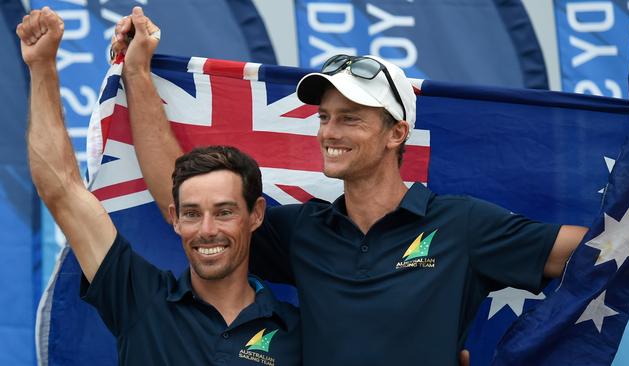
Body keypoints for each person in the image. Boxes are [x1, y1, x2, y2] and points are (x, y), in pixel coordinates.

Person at [112, 7, 588, 365]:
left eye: (351, 119)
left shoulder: (461, 224)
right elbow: (184, 188)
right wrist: (136, 73)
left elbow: (609, 250)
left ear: (396, 133)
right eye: (325, 117)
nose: (329, 133)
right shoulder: (301, 230)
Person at [18, 7, 301, 365]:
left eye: (225, 211)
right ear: (175, 218)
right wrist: (42, 67)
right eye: (192, 213)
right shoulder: (139, 298)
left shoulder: (297, 331)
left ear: (256, 214)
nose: (207, 230)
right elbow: (62, 190)